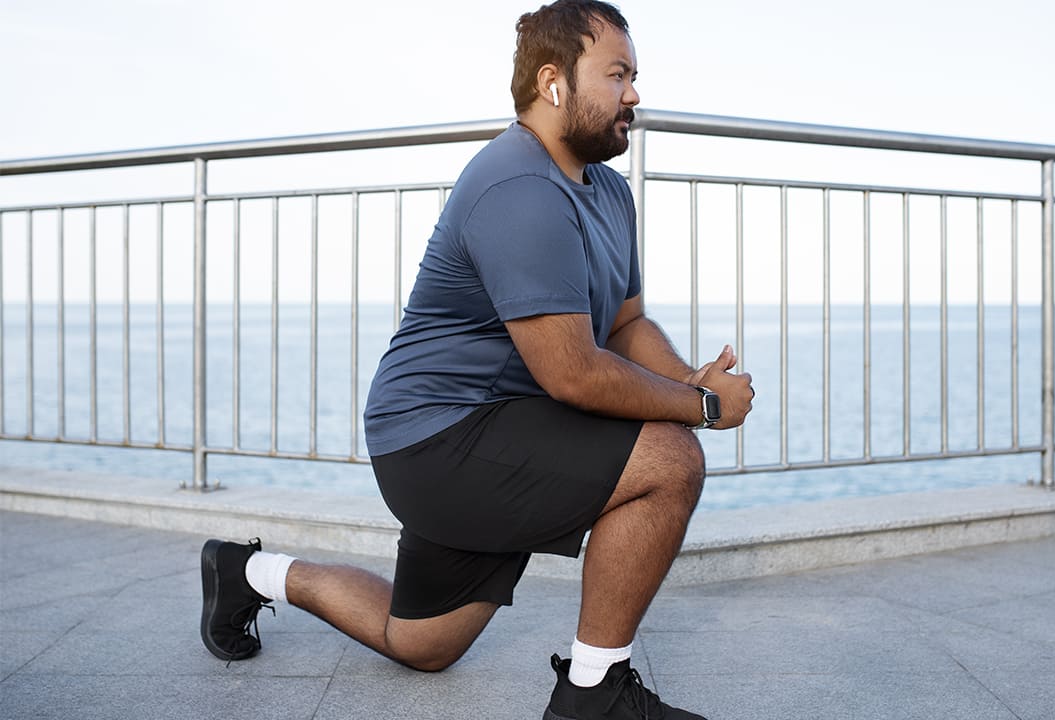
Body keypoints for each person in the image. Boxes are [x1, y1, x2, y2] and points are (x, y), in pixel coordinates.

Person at [199, 2, 753, 718]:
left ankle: (248, 572)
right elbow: (574, 374)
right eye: (617, 75)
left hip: (499, 427)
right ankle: (593, 695)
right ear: (554, 83)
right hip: (439, 439)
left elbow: (626, 323)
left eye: (635, 76)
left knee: (422, 643)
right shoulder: (518, 187)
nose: (635, 94)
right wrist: (701, 408)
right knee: (671, 460)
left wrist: (687, 378)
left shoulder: (610, 193)